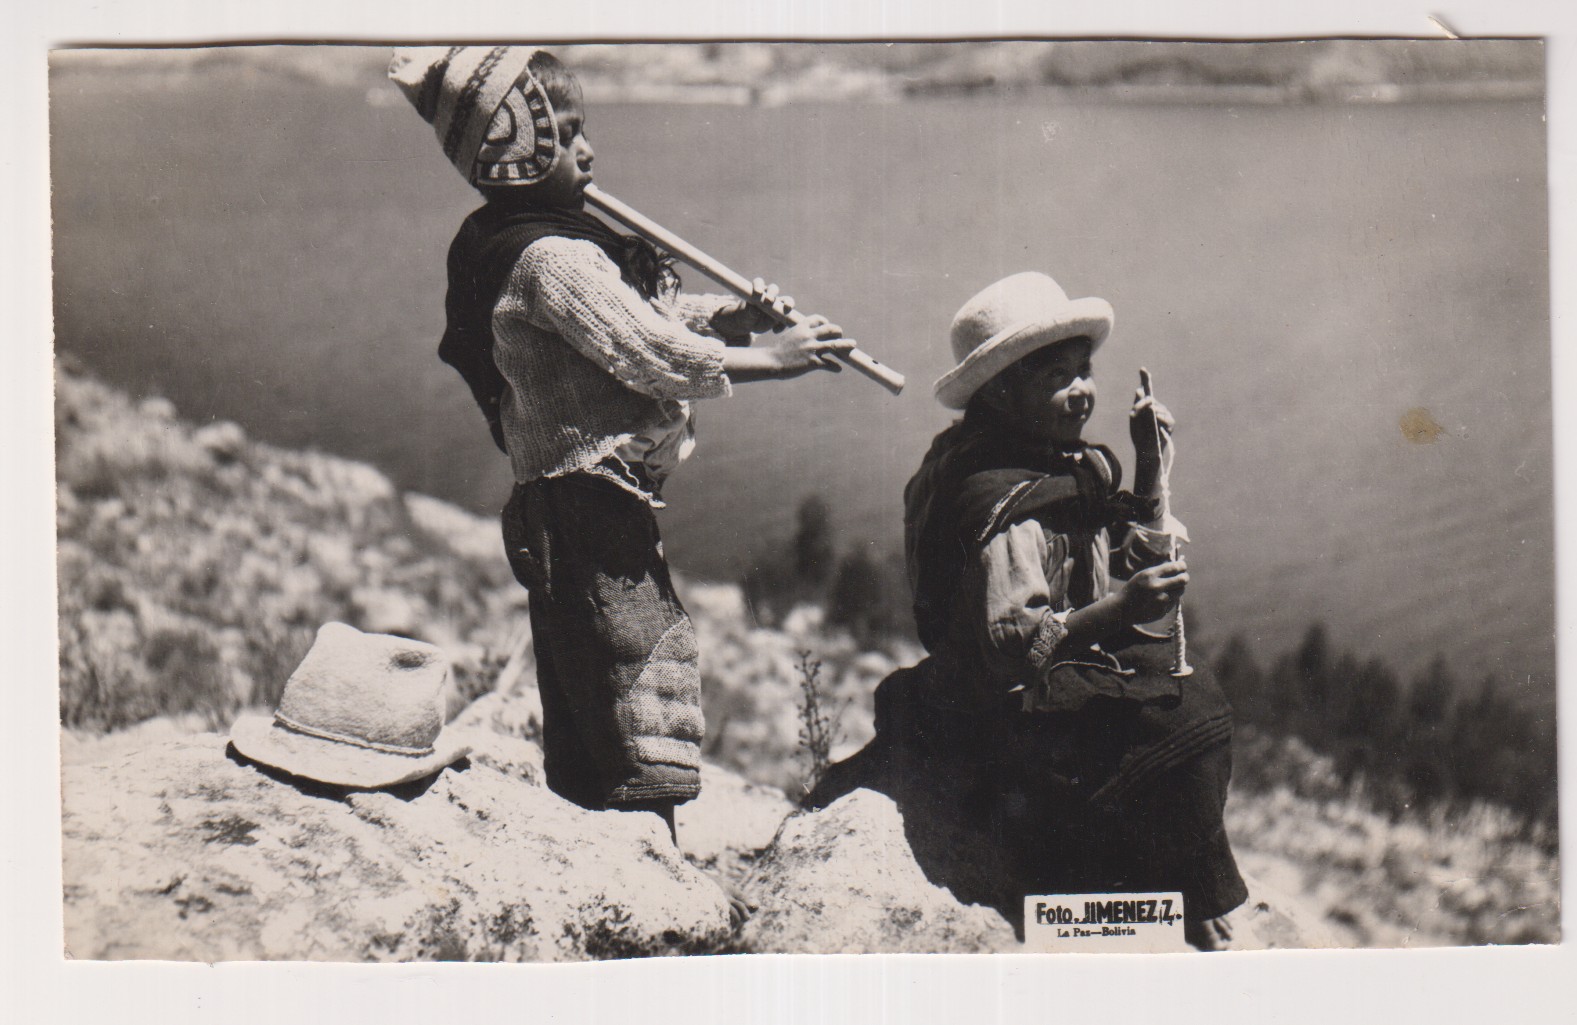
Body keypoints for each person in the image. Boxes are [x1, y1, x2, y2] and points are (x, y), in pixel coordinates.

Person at [389, 47, 854, 920]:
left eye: (582, 129)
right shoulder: (546, 261)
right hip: (583, 503)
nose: (587, 151)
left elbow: (643, 320)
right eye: (563, 138)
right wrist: (773, 359)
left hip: (579, 502)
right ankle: (650, 880)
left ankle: (613, 855)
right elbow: (650, 352)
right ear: (513, 161)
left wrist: (739, 318)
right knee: (631, 668)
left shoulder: (539, 242)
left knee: (590, 677)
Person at [893, 271, 1254, 950]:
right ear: (1002, 391)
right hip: (999, 698)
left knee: (1183, 689)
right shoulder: (995, 498)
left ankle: (1182, 880)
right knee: (1182, 714)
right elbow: (1012, 643)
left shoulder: (1052, 462)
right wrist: (1117, 612)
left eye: (1083, 370)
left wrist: (1149, 464)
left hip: (1059, 662)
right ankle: (1169, 886)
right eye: (1056, 376)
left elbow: (1119, 558)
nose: (1081, 389)